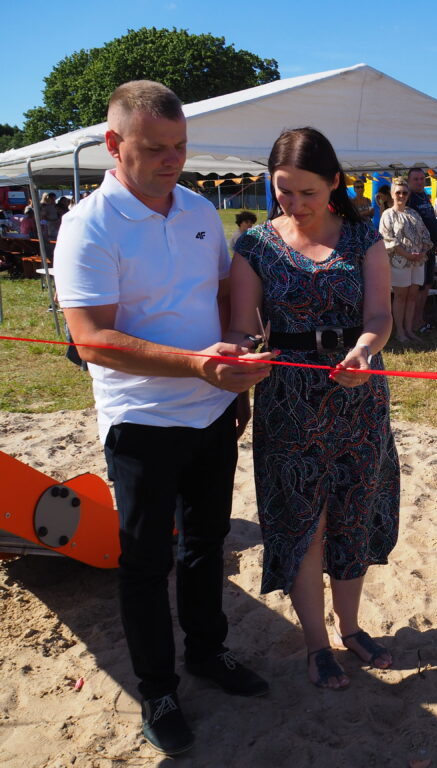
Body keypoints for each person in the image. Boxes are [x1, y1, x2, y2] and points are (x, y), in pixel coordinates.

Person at [53, 80, 273, 757]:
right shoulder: (88, 225)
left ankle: (207, 652)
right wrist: (198, 365)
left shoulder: (200, 209)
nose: (172, 159)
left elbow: (220, 296)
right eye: (155, 148)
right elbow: (91, 340)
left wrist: (234, 364)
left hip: (212, 410)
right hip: (141, 421)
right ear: (113, 144)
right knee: (145, 563)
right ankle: (158, 689)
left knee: (206, 545)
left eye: (180, 146)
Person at [227, 127, 400, 694]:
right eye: (284, 191)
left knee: (354, 512)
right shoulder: (254, 247)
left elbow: (380, 316)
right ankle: (317, 644)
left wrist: (364, 350)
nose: (295, 203)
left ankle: (351, 628)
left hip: (358, 394)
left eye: (308, 192)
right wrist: (243, 354)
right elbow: (242, 328)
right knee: (304, 521)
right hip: (288, 401)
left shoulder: (364, 239)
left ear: (334, 184)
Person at [379, 176, 431, 343]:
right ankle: (400, 332)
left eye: (404, 193)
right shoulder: (388, 215)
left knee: (412, 297)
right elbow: (388, 239)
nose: (401, 196)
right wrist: (406, 254)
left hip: (417, 261)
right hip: (399, 262)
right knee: (400, 297)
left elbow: (425, 235)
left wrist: (422, 251)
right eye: (398, 192)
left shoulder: (413, 213)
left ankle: (409, 330)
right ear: (392, 194)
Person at [407, 167, 437, 334]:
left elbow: (431, 219)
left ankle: (420, 319)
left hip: (431, 249)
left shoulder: (424, 196)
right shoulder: (409, 198)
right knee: (419, 287)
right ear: (409, 181)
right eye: (416, 179)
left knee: (427, 284)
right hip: (419, 251)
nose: (420, 182)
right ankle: (414, 322)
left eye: (422, 179)